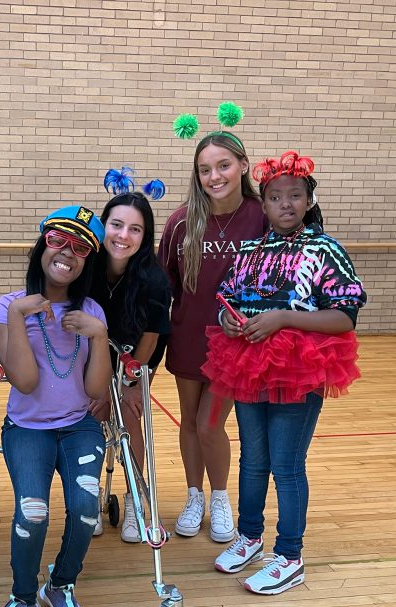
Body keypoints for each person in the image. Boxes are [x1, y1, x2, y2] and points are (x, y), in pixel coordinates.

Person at [204, 151, 366, 594]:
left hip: (299, 368)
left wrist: (283, 319)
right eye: (276, 197)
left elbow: (345, 316)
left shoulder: (325, 249)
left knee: (287, 465)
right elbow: (226, 302)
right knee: (252, 459)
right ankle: (250, 536)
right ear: (265, 203)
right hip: (247, 364)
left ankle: (290, 555)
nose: (286, 204)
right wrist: (229, 321)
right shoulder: (252, 249)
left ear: (308, 200)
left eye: (295, 196)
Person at [0, 206, 111, 607]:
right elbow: (25, 380)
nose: (66, 252)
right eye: (59, 240)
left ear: (86, 261)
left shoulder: (91, 310)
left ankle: (60, 584)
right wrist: (19, 316)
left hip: (79, 427)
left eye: (79, 247)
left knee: (86, 508)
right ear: (43, 245)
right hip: (28, 428)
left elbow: (97, 389)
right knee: (32, 510)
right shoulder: (5, 308)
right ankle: (23, 597)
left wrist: (99, 336)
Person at [159, 127, 268, 543]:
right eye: (205, 169)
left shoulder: (262, 216)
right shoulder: (181, 221)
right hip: (187, 336)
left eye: (223, 165)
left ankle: (220, 497)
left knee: (209, 424)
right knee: (188, 421)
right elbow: (163, 284)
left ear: (243, 165)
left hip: (234, 344)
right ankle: (193, 496)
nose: (215, 176)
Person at [88, 169, 171, 543]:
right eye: (116, 225)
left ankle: (138, 497)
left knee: (129, 422)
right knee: (87, 419)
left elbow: (151, 337)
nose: (123, 236)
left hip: (134, 357)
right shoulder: (85, 267)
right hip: (88, 356)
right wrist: (98, 389)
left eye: (134, 229)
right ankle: (87, 499)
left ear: (145, 236)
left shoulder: (154, 278)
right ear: (103, 225)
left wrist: (132, 386)